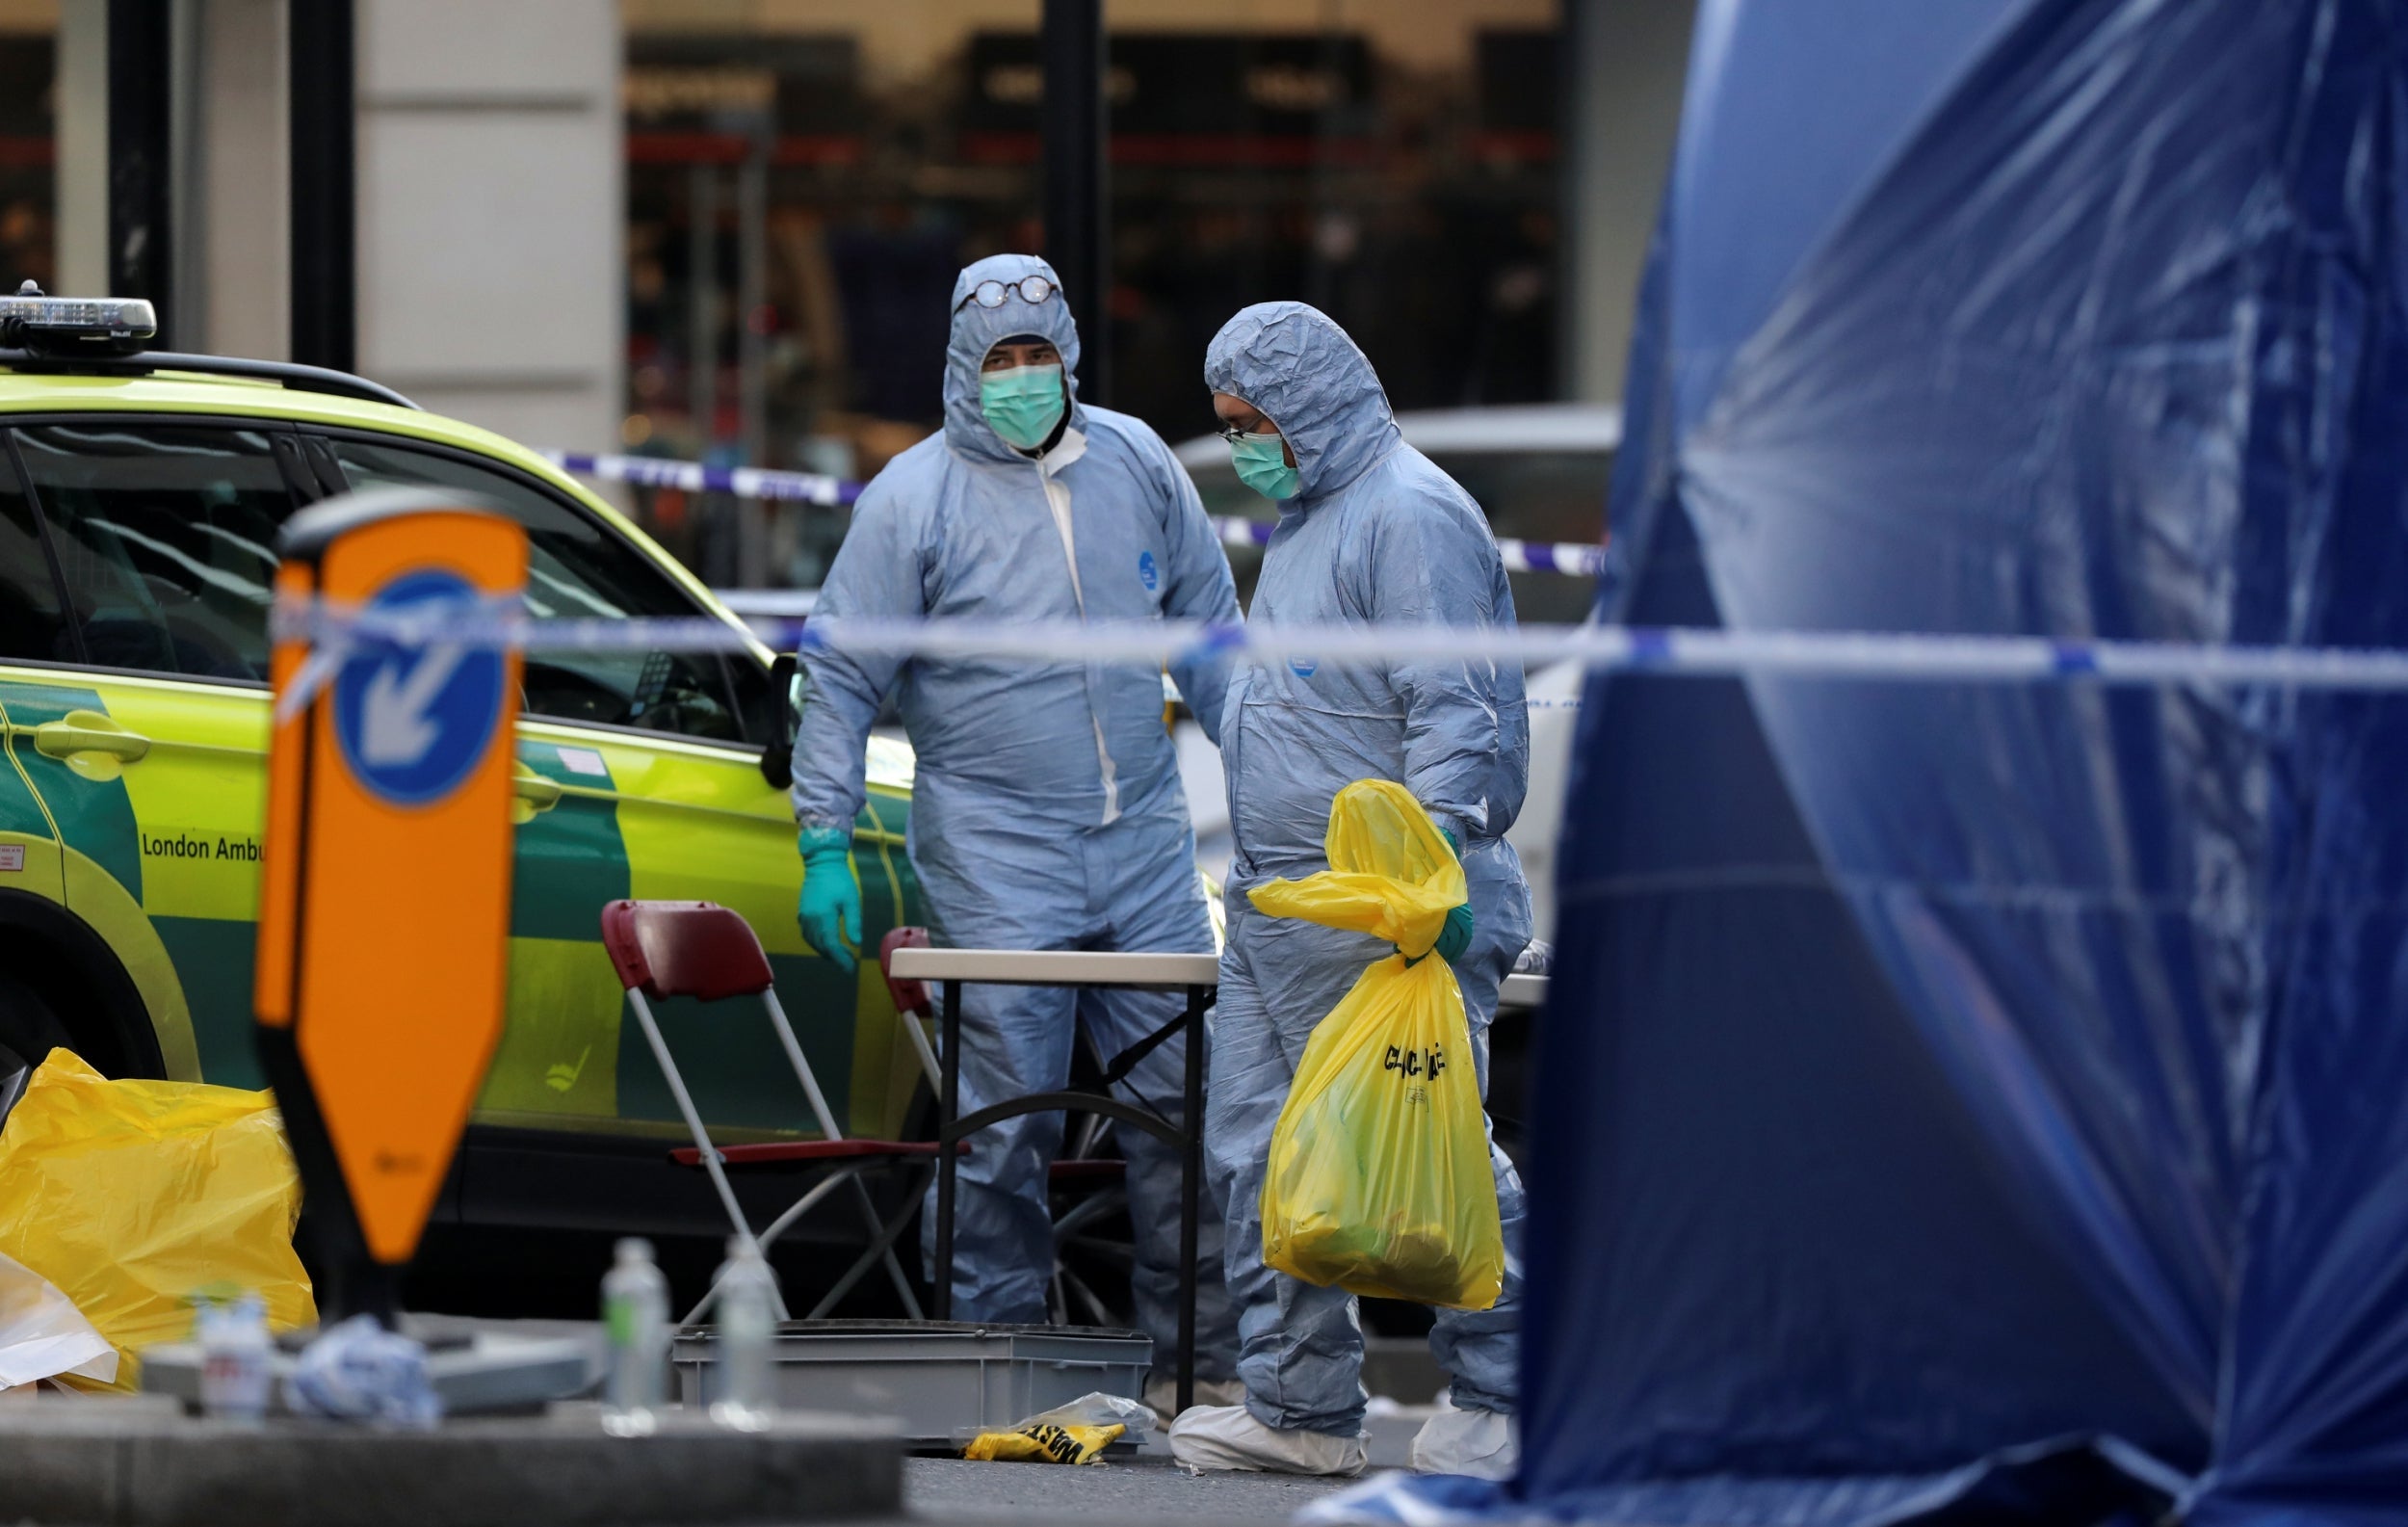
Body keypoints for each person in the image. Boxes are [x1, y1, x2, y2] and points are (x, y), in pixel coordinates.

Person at [788, 253, 1242, 1409]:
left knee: (1183, 1115)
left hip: (1143, 842)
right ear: (961, 365)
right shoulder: (913, 500)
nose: (1024, 378)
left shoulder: (1136, 462)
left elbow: (1212, 635)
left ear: (1072, 354)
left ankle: (1204, 1371)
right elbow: (838, 677)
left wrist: (1276, 788)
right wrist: (824, 841)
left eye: (1040, 354)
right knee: (1005, 1130)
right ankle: (999, 1369)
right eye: (1002, 360)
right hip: (996, 856)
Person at [1166, 302, 1533, 1480]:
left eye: (1255, 420)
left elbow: (1451, 707)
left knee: (1433, 1155)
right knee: (1264, 1156)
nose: (1246, 444)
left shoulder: (1409, 513)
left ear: (1314, 403)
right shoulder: (1310, 520)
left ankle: (1512, 1391)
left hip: (1387, 917)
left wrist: (1428, 875)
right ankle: (1299, 1406)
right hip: (1287, 910)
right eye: (1228, 425)